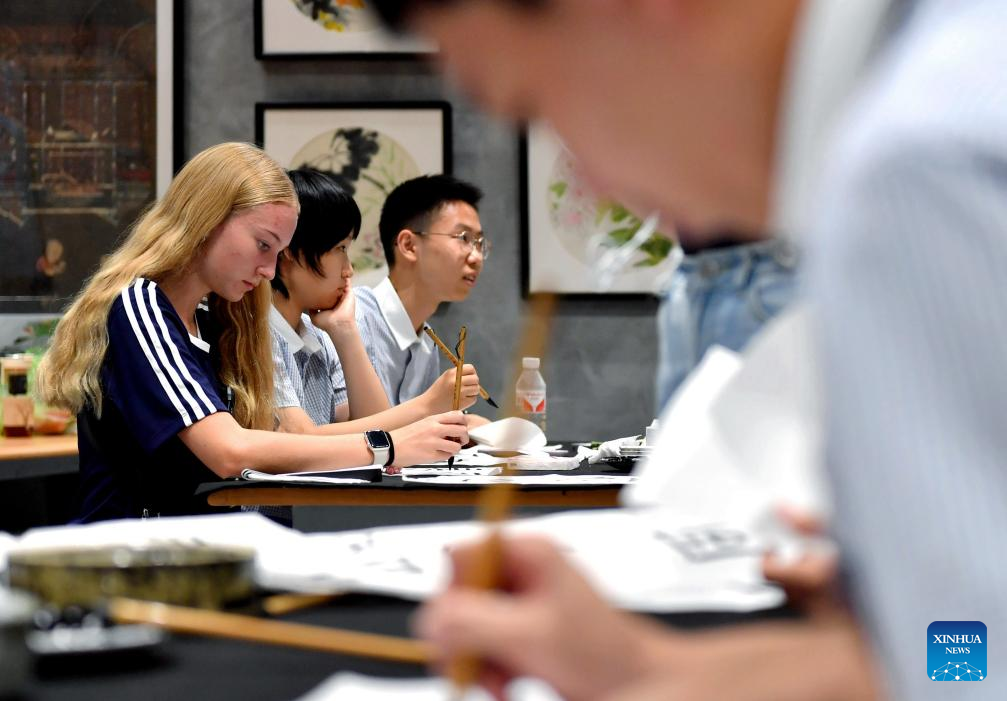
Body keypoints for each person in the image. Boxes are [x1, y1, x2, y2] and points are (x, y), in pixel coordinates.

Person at [370, 1, 1007, 699]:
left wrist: (935, 621)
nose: (591, 183)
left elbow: (973, 678)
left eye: (535, 108)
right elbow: (967, 656)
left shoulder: (922, 165)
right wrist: (920, 618)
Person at [34, 142, 467, 523]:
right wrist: (386, 446)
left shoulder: (214, 324)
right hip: (132, 565)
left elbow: (268, 444)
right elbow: (231, 451)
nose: (268, 270)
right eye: (264, 245)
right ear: (206, 219)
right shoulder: (141, 306)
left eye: (278, 253)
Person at [270, 168, 480, 437]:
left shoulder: (319, 334)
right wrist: (428, 405)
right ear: (289, 251)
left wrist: (344, 330)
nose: (349, 270)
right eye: (341, 248)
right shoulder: (259, 331)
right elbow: (297, 440)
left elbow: (372, 432)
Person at [355, 174, 488, 406]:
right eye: (464, 238)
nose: (476, 257)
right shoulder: (353, 320)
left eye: (479, 243)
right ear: (408, 245)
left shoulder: (427, 343)